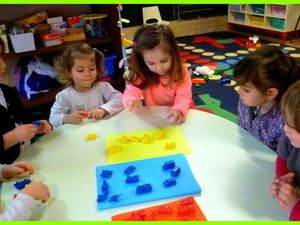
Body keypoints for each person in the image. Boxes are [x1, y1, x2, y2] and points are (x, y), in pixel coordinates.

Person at [233, 45, 300, 151]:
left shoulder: (285, 122)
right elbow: (241, 128)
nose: (238, 91)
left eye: (246, 90)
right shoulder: (245, 102)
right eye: (240, 86)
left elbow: (283, 158)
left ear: (270, 93)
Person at [122, 24, 192, 125]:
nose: (159, 68)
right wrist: (131, 100)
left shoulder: (182, 73)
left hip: (180, 116)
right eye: (151, 63)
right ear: (142, 60)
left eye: (164, 61)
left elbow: (184, 96)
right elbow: (131, 91)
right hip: (155, 117)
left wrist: (178, 111)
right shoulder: (141, 73)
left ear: (173, 54)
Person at [0, 38, 52, 164]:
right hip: (8, 169)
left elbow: (23, 121)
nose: (3, 65)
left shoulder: (7, 91)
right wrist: (14, 136)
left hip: (28, 157)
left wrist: (35, 127)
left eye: (1, 57)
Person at [49, 42, 124, 128]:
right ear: (69, 72)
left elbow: (120, 99)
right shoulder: (64, 96)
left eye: (92, 69)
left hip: (103, 131)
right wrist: (68, 118)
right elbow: (53, 118)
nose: (87, 73)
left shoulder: (103, 87)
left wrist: (103, 109)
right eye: (80, 70)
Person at [271, 81, 300, 221]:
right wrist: (284, 180)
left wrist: (293, 205)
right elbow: (282, 158)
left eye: (293, 127)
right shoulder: (290, 138)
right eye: (285, 121)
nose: (285, 129)